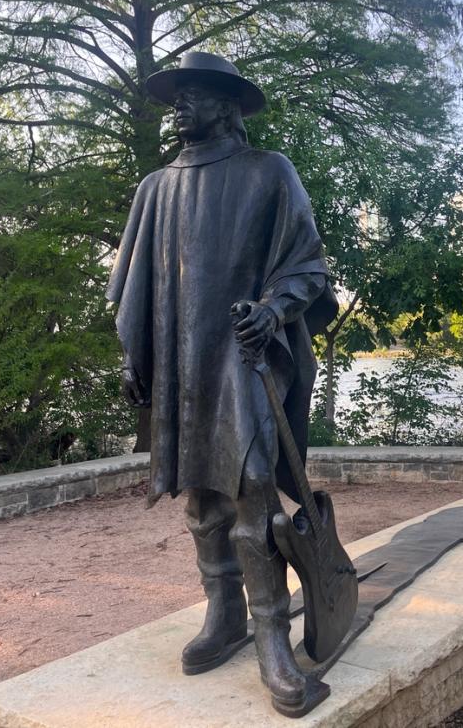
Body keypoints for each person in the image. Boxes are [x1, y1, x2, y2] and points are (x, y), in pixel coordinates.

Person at [106, 51, 337, 716]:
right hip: (182, 362)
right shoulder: (155, 188)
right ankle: (224, 614)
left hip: (244, 358)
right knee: (199, 497)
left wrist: (270, 311)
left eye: (193, 93)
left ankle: (274, 641)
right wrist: (135, 356)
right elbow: (136, 286)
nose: (179, 104)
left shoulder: (270, 173)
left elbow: (307, 267)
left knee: (252, 491)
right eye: (175, 94)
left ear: (227, 105)